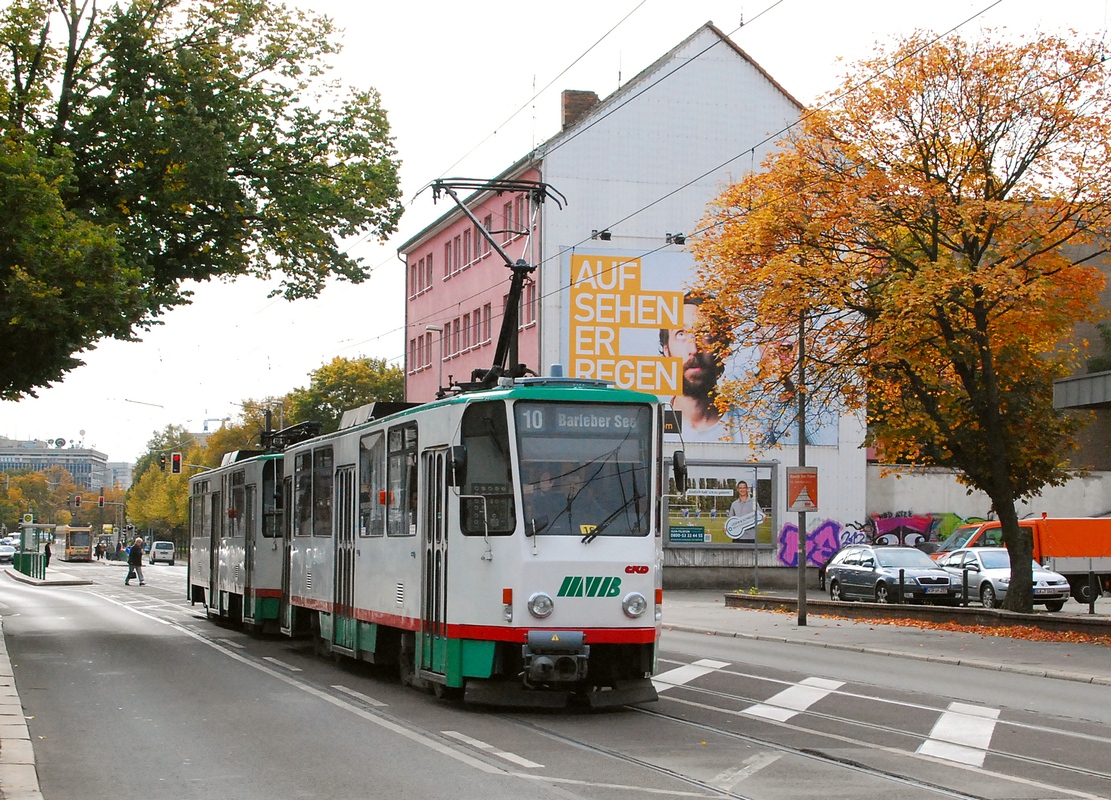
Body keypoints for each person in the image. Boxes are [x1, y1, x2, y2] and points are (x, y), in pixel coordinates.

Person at [660, 294, 728, 442]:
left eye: (705, 334)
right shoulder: (653, 426)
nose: (694, 348)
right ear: (666, 349)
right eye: (681, 334)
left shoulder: (753, 429)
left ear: (722, 348)